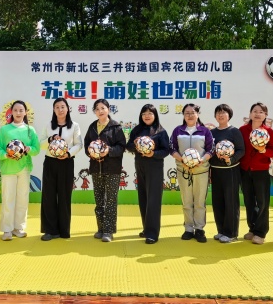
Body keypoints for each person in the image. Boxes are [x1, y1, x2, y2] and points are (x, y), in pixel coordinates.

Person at [0, 100, 40, 241]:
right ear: (11, 112)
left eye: (21, 110)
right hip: (8, 169)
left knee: (22, 199)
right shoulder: (4, 130)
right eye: (15, 110)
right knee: (8, 199)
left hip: (24, 169)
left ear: (25, 112)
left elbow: (36, 149)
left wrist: (29, 149)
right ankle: (7, 229)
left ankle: (19, 227)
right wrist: (6, 155)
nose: (18, 113)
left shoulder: (30, 130)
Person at [169, 103, 214, 243]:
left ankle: (199, 229)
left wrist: (201, 160)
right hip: (183, 171)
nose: (189, 115)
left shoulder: (205, 131)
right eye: (186, 113)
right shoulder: (178, 130)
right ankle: (188, 228)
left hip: (201, 170)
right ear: (183, 115)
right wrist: (181, 159)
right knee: (186, 201)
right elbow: (172, 148)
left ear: (197, 114)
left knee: (200, 201)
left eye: (192, 112)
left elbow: (211, 149)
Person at [39, 98, 83, 241]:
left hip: (66, 163)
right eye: (57, 107)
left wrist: (68, 153)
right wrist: (50, 139)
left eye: (63, 106)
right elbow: (40, 144)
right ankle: (50, 230)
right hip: (50, 163)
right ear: (54, 110)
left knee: (64, 196)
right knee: (49, 196)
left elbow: (79, 144)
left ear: (68, 108)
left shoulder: (74, 126)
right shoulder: (48, 126)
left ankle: (64, 230)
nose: (60, 109)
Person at [83, 99, 126, 242]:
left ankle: (108, 231)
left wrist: (108, 151)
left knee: (111, 201)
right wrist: (92, 153)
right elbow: (86, 146)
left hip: (112, 169)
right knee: (99, 200)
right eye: (97, 109)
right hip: (96, 168)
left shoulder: (116, 127)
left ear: (108, 109)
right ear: (94, 112)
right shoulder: (92, 127)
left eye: (103, 108)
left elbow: (121, 147)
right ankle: (101, 228)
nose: (100, 111)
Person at [126, 104, 170, 244]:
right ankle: (146, 228)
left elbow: (166, 150)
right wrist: (136, 145)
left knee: (153, 199)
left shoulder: (161, 131)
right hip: (140, 166)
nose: (147, 116)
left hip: (154, 167)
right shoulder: (137, 130)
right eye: (144, 113)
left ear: (155, 115)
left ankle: (152, 233)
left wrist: (153, 153)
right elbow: (128, 146)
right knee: (143, 197)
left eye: (150, 113)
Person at [239, 102, 273, 245]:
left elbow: (272, 152)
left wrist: (262, 150)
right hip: (245, 170)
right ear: (250, 114)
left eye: (261, 112)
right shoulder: (242, 130)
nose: (257, 114)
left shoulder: (269, 132)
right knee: (249, 201)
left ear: (265, 115)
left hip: (261, 171)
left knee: (262, 202)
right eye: (254, 111)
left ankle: (261, 232)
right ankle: (252, 228)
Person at [210, 104, 245, 243]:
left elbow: (241, 150)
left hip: (231, 171)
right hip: (215, 170)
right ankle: (221, 230)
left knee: (231, 202)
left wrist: (231, 159)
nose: (221, 115)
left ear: (229, 115)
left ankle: (231, 233)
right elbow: (209, 150)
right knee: (217, 202)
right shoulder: (212, 133)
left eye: (224, 112)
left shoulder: (234, 131)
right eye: (218, 112)